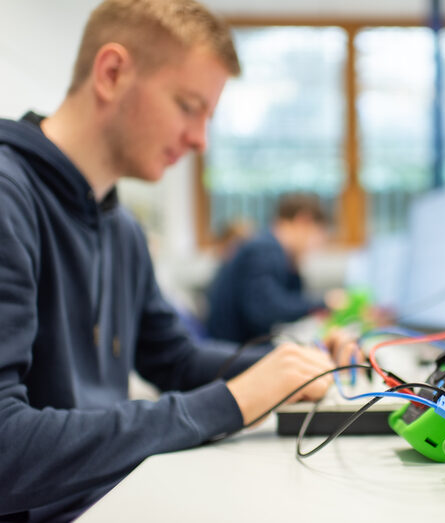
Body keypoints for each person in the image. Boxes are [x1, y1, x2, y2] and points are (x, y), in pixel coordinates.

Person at [0, 1, 338, 520]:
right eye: (188, 105)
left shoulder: (122, 228)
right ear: (112, 73)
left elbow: (174, 361)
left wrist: (292, 365)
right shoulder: (9, 197)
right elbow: (6, 450)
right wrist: (231, 403)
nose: (199, 140)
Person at [206, 193, 345, 343]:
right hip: (234, 349)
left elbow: (285, 299)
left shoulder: (273, 249)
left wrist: (295, 268)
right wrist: (324, 302)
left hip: (240, 344)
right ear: (304, 221)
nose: (316, 246)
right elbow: (266, 309)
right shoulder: (264, 249)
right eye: (318, 236)